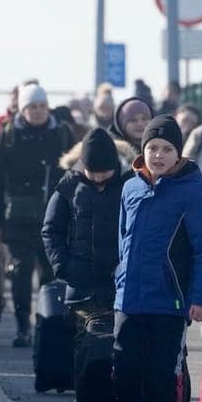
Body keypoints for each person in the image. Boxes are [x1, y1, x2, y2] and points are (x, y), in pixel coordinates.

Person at [112, 115, 202, 402]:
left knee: (163, 373)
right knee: (123, 370)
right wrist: (119, 279)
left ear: (178, 153)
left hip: (170, 301)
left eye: (166, 149)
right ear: (143, 150)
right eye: (152, 148)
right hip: (129, 298)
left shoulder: (192, 192)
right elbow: (123, 240)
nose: (158, 155)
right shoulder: (130, 187)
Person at [41, 128, 132, 354]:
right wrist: (63, 266)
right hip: (82, 285)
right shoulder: (68, 187)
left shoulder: (130, 185)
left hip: (121, 284)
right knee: (86, 343)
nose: (99, 178)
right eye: (93, 172)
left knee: (121, 343)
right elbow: (51, 230)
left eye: (105, 172)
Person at [0, 83, 75, 347]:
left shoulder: (62, 133)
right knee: (20, 272)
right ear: (23, 108)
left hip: (54, 216)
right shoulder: (8, 136)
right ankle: (23, 327)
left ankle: (47, 322)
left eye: (42, 106)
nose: (39, 111)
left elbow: (75, 172)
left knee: (51, 274)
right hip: (17, 219)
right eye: (32, 107)